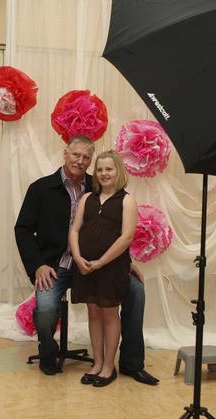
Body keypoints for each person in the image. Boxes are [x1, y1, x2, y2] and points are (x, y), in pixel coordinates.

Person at [14, 136, 159, 386]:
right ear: (65, 153)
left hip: (99, 265)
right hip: (57, 265)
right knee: (46, 309)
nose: (80, 161)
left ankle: (131, 363)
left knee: (136, 290)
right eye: (75, 155)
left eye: (86, 158)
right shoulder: (41, 188)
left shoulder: (99, 185)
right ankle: (49, 351)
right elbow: (23, 229)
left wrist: (126, 262)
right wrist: (38, 265)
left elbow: (115, 230)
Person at [69, 150, 137, 387]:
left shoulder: (127, 200)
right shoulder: (87, 198)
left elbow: (126, 238)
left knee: (109, 313)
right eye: (100, 170)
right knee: (93, 312)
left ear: (118, 171)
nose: (104, 173)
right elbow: (75, 230)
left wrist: (100, 262)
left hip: (111, 268)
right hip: (85, 267)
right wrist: (77, 258)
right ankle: (96, 362)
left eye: (109, 169)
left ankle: (109, 365)